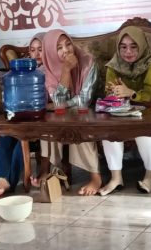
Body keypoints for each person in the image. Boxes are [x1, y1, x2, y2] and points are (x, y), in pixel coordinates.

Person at [35, 29, 102, 196]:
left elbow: (84, 100)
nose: (66, 50)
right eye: (59, 48)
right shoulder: (45, 71)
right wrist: (65, 71)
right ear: (50, 52)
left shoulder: (88, 62)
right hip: (59, 115)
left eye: (68, 44)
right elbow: (56, 102)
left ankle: (96, 178)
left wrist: (63, 105)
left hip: (84, 112)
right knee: (48, 124)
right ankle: (53, 171)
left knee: (80, 123)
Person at [100, 26, 151, 195]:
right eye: (123, 47)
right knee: (108, 129)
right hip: (121, 111)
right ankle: (116, 178)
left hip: (148, 111)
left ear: (141, 45)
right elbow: (109, 92)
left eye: (133, 46)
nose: (128, 52)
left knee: (144, 129)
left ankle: (150, 175)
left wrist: (131, 93)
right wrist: (114, 93)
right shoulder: (114, 64)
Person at [0, 33, 45, 200]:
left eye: (41, 49)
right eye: (32, 50)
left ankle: (8, 181)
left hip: (40, 120)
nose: (36, 54)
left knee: (21, 139)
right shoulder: (21, 73)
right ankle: (2, 178)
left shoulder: (49, 71)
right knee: (5, 134)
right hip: (21, 116)